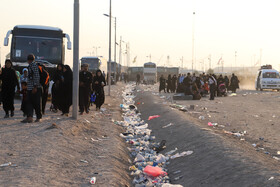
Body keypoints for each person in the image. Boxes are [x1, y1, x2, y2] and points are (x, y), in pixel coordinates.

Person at [22, 54, 42, 123]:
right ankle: (29, 117)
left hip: (35, 88)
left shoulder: (34, 65)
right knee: (29, 102)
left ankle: (38, 117)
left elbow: (37, 76)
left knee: (36, 103)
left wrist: (35, 87)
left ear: (28, 60)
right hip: (30, 88)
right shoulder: (30, 66)